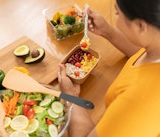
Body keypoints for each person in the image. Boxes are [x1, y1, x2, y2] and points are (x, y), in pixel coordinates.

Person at [58, 0, 160, 137]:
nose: (115, 17)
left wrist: (70, 96)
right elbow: (142, 51)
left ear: (141, 26)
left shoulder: (139, 102)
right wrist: (107, 31)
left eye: (117, 12)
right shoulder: (155, 47)